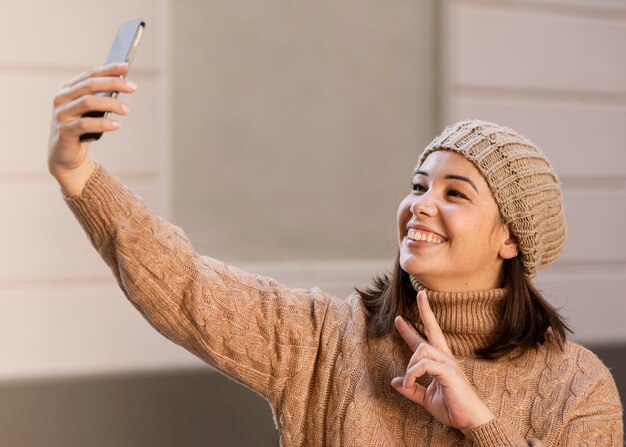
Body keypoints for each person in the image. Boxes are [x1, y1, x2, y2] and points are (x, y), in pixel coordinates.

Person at [49, 63, 623, 446]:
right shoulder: (326, 340)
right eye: (419, 185)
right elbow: (188, 285)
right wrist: (78, 174)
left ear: (511, 239)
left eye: (455, 194)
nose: (421, 205)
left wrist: (480, 422)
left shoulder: (577, 386)